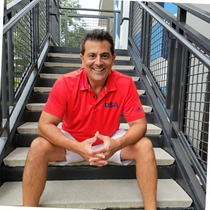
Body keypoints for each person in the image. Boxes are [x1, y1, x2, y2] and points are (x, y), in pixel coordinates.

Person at [22, 29, 157, 209]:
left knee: (145, 145)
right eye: (92, 55)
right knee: (38, 146)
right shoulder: (65, 83)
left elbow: (140, 125)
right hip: (73, 142)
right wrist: (78, 147)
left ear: (113, 59)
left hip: (109, 141)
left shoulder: (125, 83)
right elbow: (44, 126)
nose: (98, 62)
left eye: (105, 56)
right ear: (82, 58)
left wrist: (116, 144)